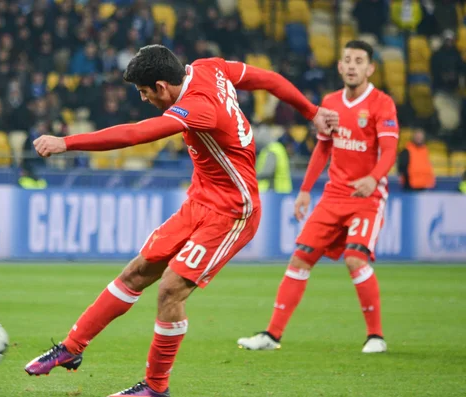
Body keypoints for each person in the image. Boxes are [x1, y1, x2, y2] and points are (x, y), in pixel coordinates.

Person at [25, 45, 338, 397]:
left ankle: (156, 389)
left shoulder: (198, 108)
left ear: (162, 87)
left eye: (144, 92)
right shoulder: (209, 66)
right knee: (137, 271)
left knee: (170, 289)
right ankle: (72, 348)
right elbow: (265, 78)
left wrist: (66, 143)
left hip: (233, 211)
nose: (143, 99)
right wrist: (312, 111)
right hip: (200, 200)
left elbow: (135, 134)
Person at [237, 40, 398, 354]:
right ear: (339, 66)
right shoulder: (330, 102)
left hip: (367, 197)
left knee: (355, 257)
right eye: (347, 60)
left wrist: (373, 178)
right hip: (334, 196)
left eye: (359, 61)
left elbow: (390, 150)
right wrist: (306, 190)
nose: (352, 66)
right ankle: (272, 335)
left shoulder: (382, 104)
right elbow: (323, 148)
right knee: (300, 257)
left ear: (370, 68)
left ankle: (375, 336)